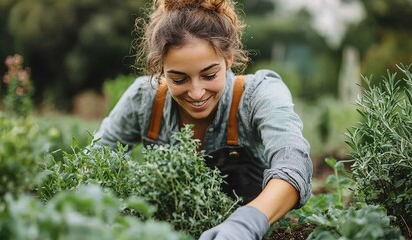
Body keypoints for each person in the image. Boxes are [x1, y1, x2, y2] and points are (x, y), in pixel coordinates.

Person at [95, 0, 313, 239]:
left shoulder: (258, 94)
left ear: (228, 59)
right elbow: (95, 163)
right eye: (178, 79)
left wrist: (248, 222)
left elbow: (293, 161)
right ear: (161, 68)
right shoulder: (143, 101)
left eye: (209, 75)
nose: (197, 93)